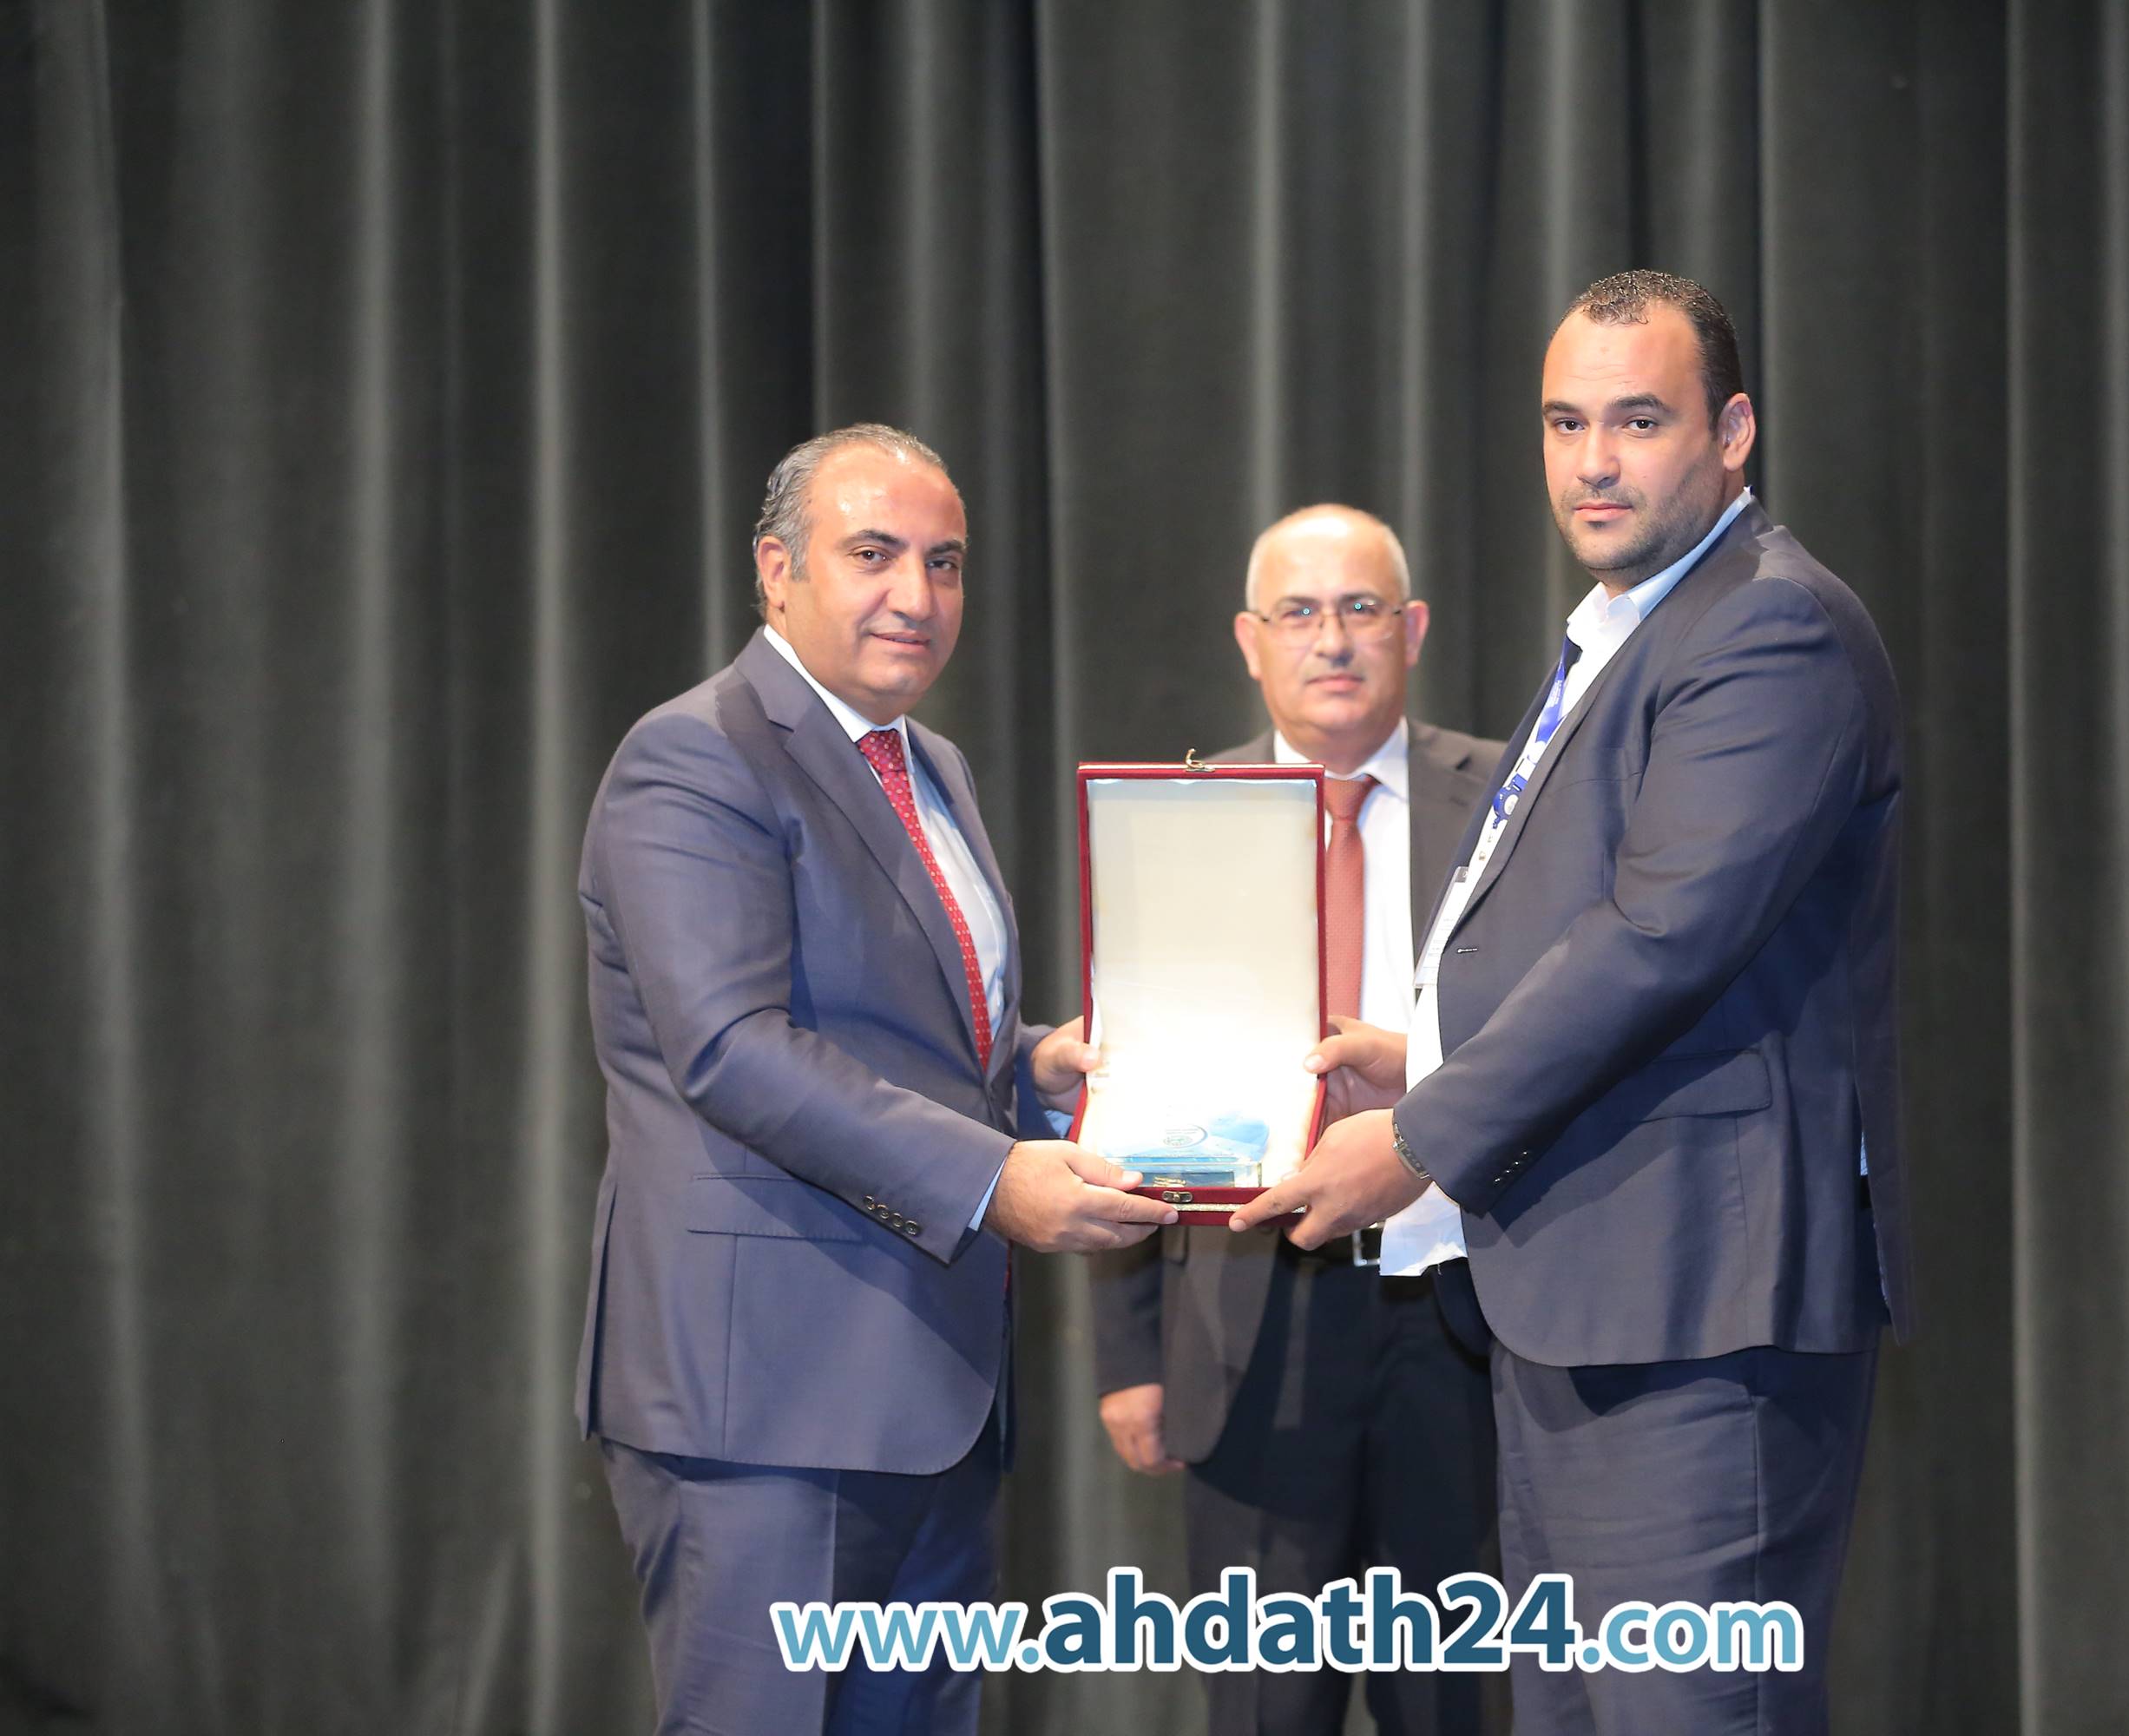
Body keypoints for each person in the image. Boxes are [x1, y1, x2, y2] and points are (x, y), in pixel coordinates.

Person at [1233, 270, 1912, 1733]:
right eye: (1564, 423)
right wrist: (1422, 1053)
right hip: (1588, 1300)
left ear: (1733, 432)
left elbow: (1660, 937)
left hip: (1697, 1313)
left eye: (1639, 421)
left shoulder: (1768, 628)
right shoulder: (1634, 621)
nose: (1593, 461)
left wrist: (1418, 1134)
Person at [573, 423, 1174, 1735]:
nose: (918, 593)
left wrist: (1034, 1066)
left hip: (931, 1395)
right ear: (775, 569)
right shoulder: (695, 757)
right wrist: (997, 1179)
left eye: (946, 562)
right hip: (765, 1404)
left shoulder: (928, 763)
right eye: (874, 554)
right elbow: (731, 1050)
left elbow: (914, 1041)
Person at [1088, 504, 1504, 1735]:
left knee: (1454, 1705)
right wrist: (1129, 1354)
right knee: (1267, 1707)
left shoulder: (1511, 801)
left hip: (1462, 1316)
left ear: (1412, 630)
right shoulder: (1182, 814)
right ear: (1249, 639)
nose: (1333, 640)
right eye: (1301, 612)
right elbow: (1130, 1076)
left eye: (1362, 608)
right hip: (1248, 1323)